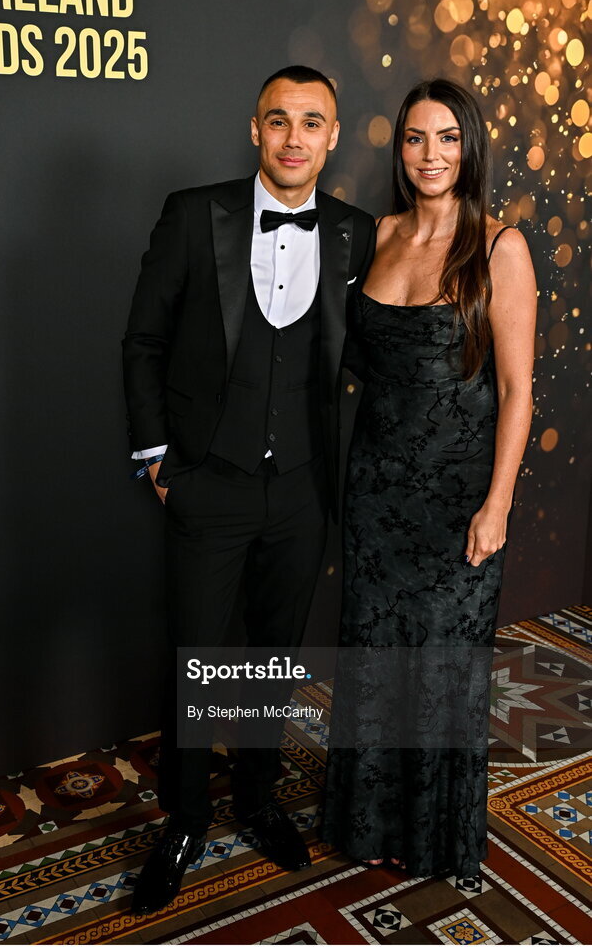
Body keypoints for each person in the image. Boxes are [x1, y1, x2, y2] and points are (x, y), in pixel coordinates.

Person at [123, 65, 376, 913]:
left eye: (312, 122)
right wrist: (161, 466)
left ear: (333, 136)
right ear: (255, 130)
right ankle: (186, 818)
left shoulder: (355, 232)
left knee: (273, 654)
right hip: (209, 485)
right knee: (197, 658)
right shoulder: (196, 214)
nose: (295, 137)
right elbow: (144, 340)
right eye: (279, 121)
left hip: (303, 493)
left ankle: (259, 795)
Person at [322, 77, 536, 878]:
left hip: (458, 500)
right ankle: (369, 825)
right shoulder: (376, 234)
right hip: (377, 491)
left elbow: (517, 390)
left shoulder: (500, 246)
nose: (430, 154)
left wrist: (499, 503)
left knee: (444, 666)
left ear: (470, 147)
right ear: (398, 150)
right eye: (415, 138)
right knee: (377, 653)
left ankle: (434, 838)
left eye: (447, 138)